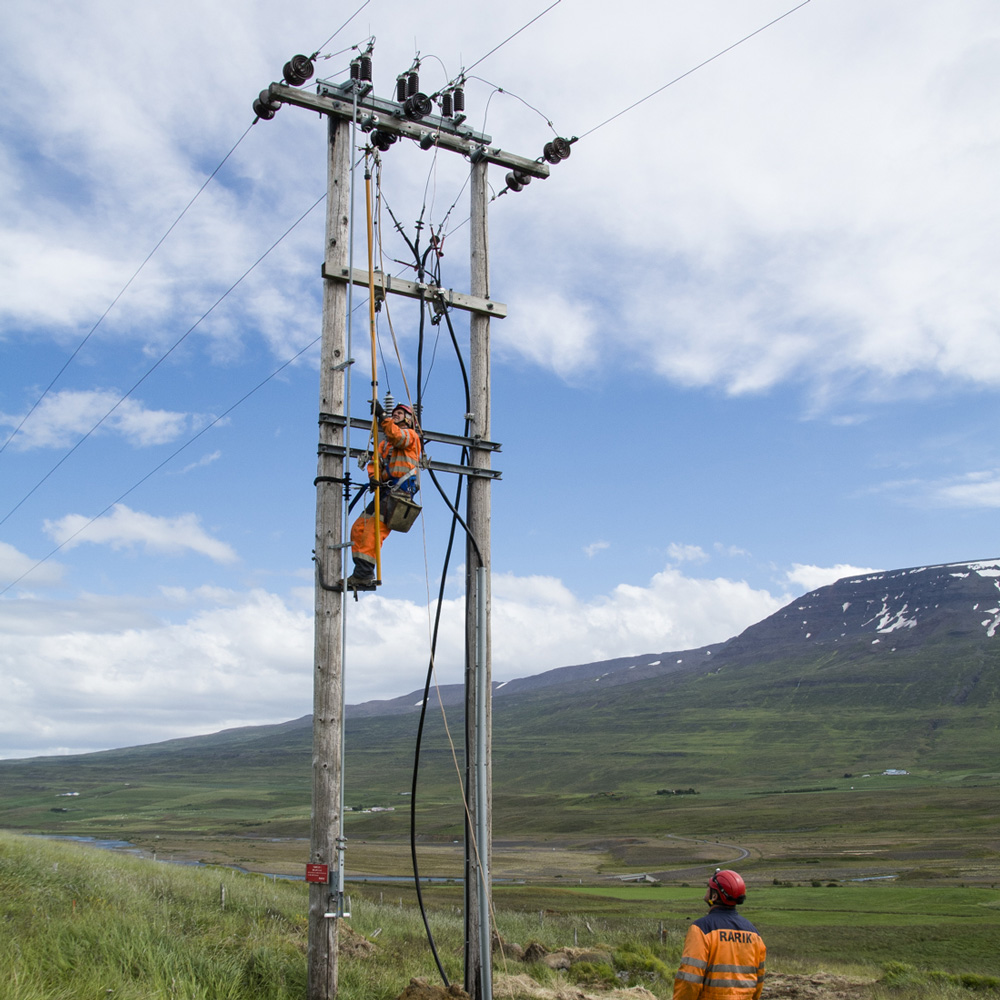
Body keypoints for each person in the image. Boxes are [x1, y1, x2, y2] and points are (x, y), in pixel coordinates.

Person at [343, 401, 422, 591]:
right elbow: (374, 463)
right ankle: (361, 571)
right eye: (394, 413)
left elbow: (398, 437)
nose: (395, 415)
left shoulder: (411, 436)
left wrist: (383, 416)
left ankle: (364, 574)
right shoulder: (384, 444)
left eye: (400, 413)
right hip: (384, 491)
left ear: (409, 419)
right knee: (358, 529)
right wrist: (373, 478)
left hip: (399, 493)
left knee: (373, 530)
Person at [673, 869, 766, 1000]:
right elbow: (759, 983)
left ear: (715, 896)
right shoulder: (754, 934)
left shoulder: (701, 930)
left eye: (709, 887)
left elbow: (689, 980)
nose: (707, 890)